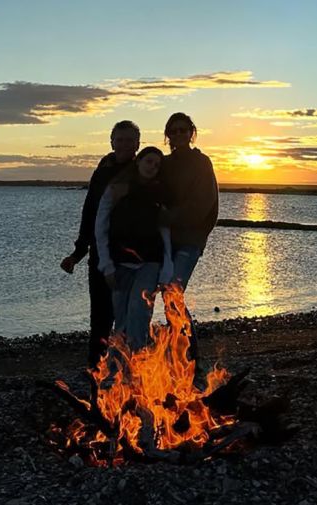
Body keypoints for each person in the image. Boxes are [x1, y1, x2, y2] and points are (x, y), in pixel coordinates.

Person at [60, 120, 140, 368]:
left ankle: (128, 368)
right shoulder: (102, 173)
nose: (125, 144)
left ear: (138, 143)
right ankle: (96, 367)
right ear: (112, 142)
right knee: (101, 316)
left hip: (134, 257)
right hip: (100, 254)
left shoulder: (145, 171)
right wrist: (77, 253)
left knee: (129, 315)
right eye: (120, 139)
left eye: (130, 140)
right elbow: (90, 213)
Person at [158, 112, 218, 384]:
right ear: (167, 134)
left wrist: (196, 234)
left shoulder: (201, 163)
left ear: (191, 132)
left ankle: (192, 359)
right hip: (164, 241)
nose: (179, 135)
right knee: (169, 298)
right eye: (174, 130)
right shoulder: (163, 164)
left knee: (173, 294)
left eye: (184, 130)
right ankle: (179, 357)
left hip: (189, 241)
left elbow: (207, 205)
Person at [94, 146, 173, 352]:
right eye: (148, 161)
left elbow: (164, 232)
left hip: (150, 262)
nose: (152, 167)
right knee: (121, 318)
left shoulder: (159, 193)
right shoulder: (117, 189)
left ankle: (138, 368)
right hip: (119, 262)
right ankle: (118, 371)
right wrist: (106, 265)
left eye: (157, 165)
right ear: (138, 161)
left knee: (139, 312)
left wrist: (167, 268)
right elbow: (100, 226)